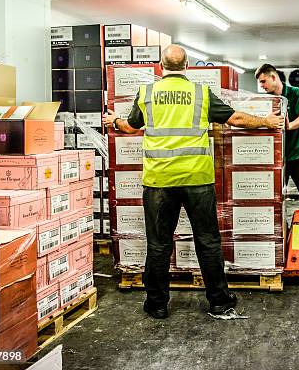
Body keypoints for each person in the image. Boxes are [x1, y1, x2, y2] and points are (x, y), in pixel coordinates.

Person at [102, 45, 284, 319]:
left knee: (159, 243)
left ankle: (157, 304)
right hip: (197, 179)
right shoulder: (200, 93)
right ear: (187, 66)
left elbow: (131, 126)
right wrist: (266, 121)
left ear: (161, 66)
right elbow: (235, 118)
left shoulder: (147, 93)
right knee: (208, 241)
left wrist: (115, 120)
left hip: (159, 181)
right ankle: (219, 301)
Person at [255, 64, 299, 212]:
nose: (262, 86)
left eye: (263, 81)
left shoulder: (295, 93)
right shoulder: (267, 101)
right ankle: (279, 231)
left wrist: (288, 126)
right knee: (274, 196)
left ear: (273, 77)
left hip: (297, 155)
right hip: (276, 157)